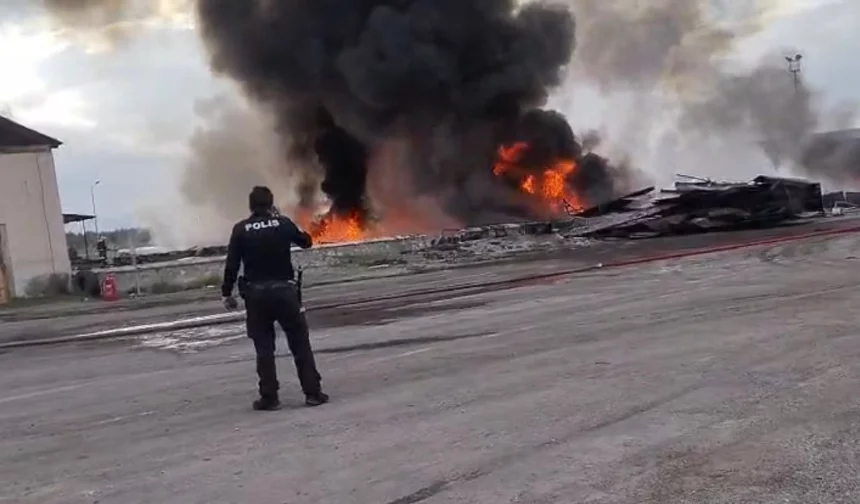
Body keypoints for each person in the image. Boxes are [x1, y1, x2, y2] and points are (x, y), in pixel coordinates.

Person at [221, 186, 329, 411]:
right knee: (300, 343)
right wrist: (280, 220)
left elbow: (231, 264)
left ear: (251, 206)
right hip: (285, 293)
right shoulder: (283, 224)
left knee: (264, 348)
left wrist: (226, 293)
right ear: (271, 204)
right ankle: (312, 393)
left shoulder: (241, 229)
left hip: (256, 296)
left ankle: (269, 397)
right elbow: (306, 241)